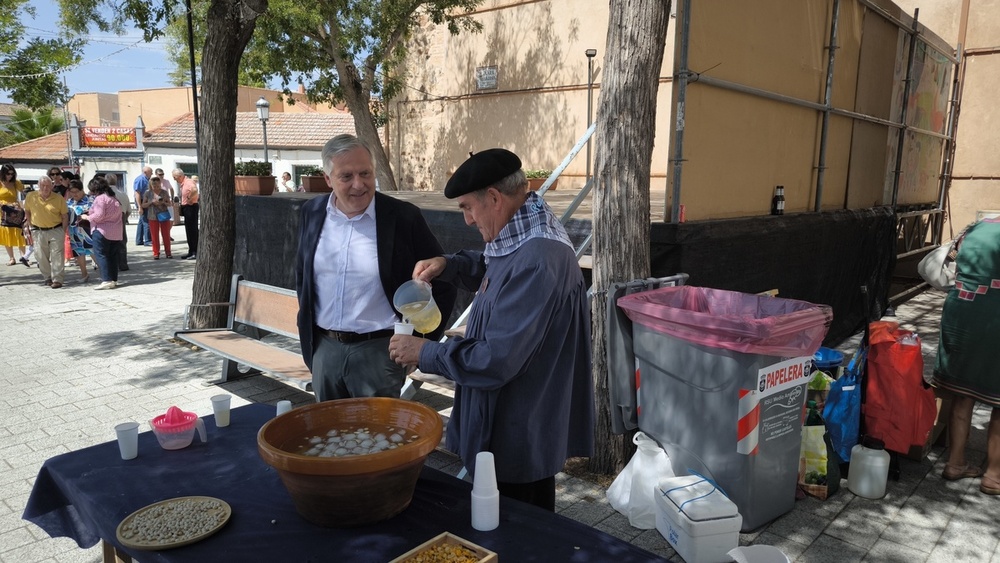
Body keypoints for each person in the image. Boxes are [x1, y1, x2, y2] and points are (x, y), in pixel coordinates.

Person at [388, 148, 594, 511]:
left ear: (495, 198)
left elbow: (495, 360)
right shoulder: (526, 228)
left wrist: (422, 352)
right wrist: (447, 265)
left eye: (467, 207)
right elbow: (492, 264)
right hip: (512, 424)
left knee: (517, 531)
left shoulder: (538, 260)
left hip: (518, 433)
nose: (467, 220)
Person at [295, 134, 456, 401]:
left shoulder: (403, 217)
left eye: (365, 173)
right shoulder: (312, 213)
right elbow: (303, 279)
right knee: (330, 435)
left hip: (380, 353)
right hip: (325, 349)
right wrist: (313, 346)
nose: (359, 184)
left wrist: (419, 344)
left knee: (379, 439)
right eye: (346, 176)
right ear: (328, 179)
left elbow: (442, 281)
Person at [932, 216, 1000, 495]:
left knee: (963, 391)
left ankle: (956, 463)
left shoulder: (976, 226)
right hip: (994, 316)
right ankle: (994, 477)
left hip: (961, 311)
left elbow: (952, 259)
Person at [22, 175, 69, 288]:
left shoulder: (58, 198)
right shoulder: (31, 196)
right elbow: (27, 211)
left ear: (52, 186)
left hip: (56, 229)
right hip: (38, 230)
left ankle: (57, 279)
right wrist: (30, 225)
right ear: (38, 186)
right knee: (40, 255)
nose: (45, 188)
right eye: (42, 185)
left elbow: (64, 216)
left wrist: (63, 230)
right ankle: (47, 277)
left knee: (57, 255)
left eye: (48, 185)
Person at [80, 176, 123, 290]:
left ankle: (106, 280)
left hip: (101, 231)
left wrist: (87, 217)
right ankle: (113, 279)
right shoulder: (113, 198)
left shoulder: (100, 199)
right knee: (113, 257)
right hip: (116, 232)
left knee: (101, 255)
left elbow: (99, 216)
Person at [65, 179, 94, 283]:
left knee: (93, 251)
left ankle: (104, 273)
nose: (74, 194)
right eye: (72, 192)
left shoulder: (90, 200)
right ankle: (84, 274)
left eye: (76, 191)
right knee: (79, 252)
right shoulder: (69, 202)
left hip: (88, 231)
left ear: (82, 190)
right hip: (74, 231)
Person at [0, 163, 28, 266]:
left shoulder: (16, 183)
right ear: (3, 173)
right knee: (7, 233)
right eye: (8, 174)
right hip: (3, 211)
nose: (10, 176)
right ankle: (11, 258)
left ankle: (24, 256)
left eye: (12, 174)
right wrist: (3, 203)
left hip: (15, 210)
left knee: (19, 232)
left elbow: (25, 192)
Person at [141, 175, 173, 259]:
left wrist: (163, 202)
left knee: (166, 234)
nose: (156, 187)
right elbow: (143, 205)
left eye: (158, 185)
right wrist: (151, 202)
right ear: (151, 185)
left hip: (163, 215)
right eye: (154, 185)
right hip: (152, 216)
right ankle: (156, 253)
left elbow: (169, 203)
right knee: (154, 236)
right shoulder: (148, 193)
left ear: (160, 184)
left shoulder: (164, 192)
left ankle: (168, 252)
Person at [105, 173, 131, 271]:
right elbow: (129, 210)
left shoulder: (104, 195)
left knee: (108, 242)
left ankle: (111, 264)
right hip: (121, 216)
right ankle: (123, 264)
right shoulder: (123, 194)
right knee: (122, 241)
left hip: (108, 218)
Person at [174, 168, 199, 260]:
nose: (174, 179)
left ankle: (195, 251)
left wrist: (189, 198)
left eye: (175, 177)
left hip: (191, 207)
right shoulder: (183, 183)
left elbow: (195, 190)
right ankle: (191, 251)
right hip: (186, 207)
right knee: (188, 230)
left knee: (192, 230)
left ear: (180, 176)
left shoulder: (188, 182)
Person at [133, 166, 153, 246]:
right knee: (146, 221)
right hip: (141, 201)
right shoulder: (140, 179)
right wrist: (140, 206)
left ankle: (139, 240)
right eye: (150, 172)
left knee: (141, 221)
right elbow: (137, 193)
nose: (152, 173)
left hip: (144, 200)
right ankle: (147, 240)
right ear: (145, 172)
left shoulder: (147, 180)